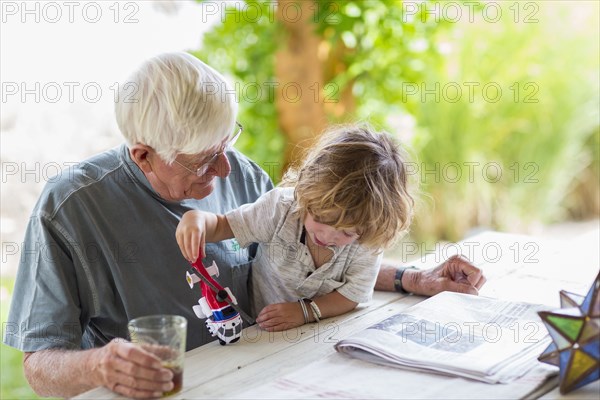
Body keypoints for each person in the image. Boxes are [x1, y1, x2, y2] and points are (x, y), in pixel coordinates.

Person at [3, 52, 485, 399]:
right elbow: (40, 368)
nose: (226, 171)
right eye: (204, 161)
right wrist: (100, 365)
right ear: (144, 155)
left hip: (263, 375)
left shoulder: (244, 175)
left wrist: (413, 279)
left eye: (227, 146)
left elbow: (312, 253)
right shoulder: (69, 209)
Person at [177, 125, 415, 331]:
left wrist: (304, 312)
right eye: (321, 217)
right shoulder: (280, 209)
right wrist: (197, 220)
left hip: (319, 335)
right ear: (307, 191)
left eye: (347, 232)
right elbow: (223, 226)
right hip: (259, 334)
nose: (327, 236)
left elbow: (352, 295)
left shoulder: (367, 242)